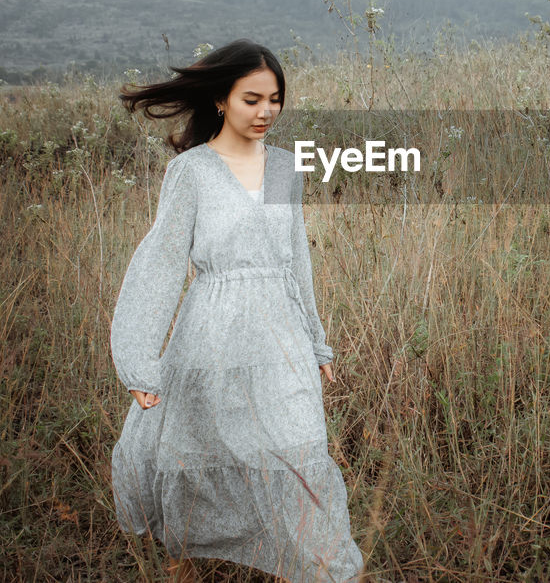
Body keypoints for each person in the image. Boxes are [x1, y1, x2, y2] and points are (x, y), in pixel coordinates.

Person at [109, 40, 363, 582]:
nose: (266, 111)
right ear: (221, 100)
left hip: (281, 341)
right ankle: (186, 564)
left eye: (275, 100)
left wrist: (317, 343)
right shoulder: (193, 173)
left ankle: (321, 569)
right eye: (252, 99)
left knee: (299, 453)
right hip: (210, 336)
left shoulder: (286, 169)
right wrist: (138, 361)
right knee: (200, 452)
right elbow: (159, 265)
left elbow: (297, 264)